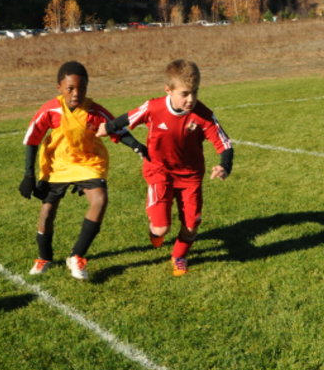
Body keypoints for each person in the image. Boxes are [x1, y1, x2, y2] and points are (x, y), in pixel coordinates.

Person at [96, 59, 233, 276]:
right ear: (168, 90)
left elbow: (224, 144)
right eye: (185, 94)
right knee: (161, 228)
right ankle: (155, 231)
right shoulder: (154, 107)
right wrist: (108, 127)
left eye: (195, 92)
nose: (191, 99)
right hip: (159, 170)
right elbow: (129, 117)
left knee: (191, 226)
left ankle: (179, 256)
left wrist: (224, 165)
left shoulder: (203, 115)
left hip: (190, 176)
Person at [19, 61, 147, 280]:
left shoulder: (94, 111)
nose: (76, 93)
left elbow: (116, 128)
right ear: (59, 87)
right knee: (47, 212)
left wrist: (137, 146)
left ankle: (76, 256)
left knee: (100, 200)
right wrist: (29, 175)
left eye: (82, 88)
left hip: (88, 163)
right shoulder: (50, 109)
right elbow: (32, 138)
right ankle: (44, 257)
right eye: (70, 88)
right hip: (58, 164)